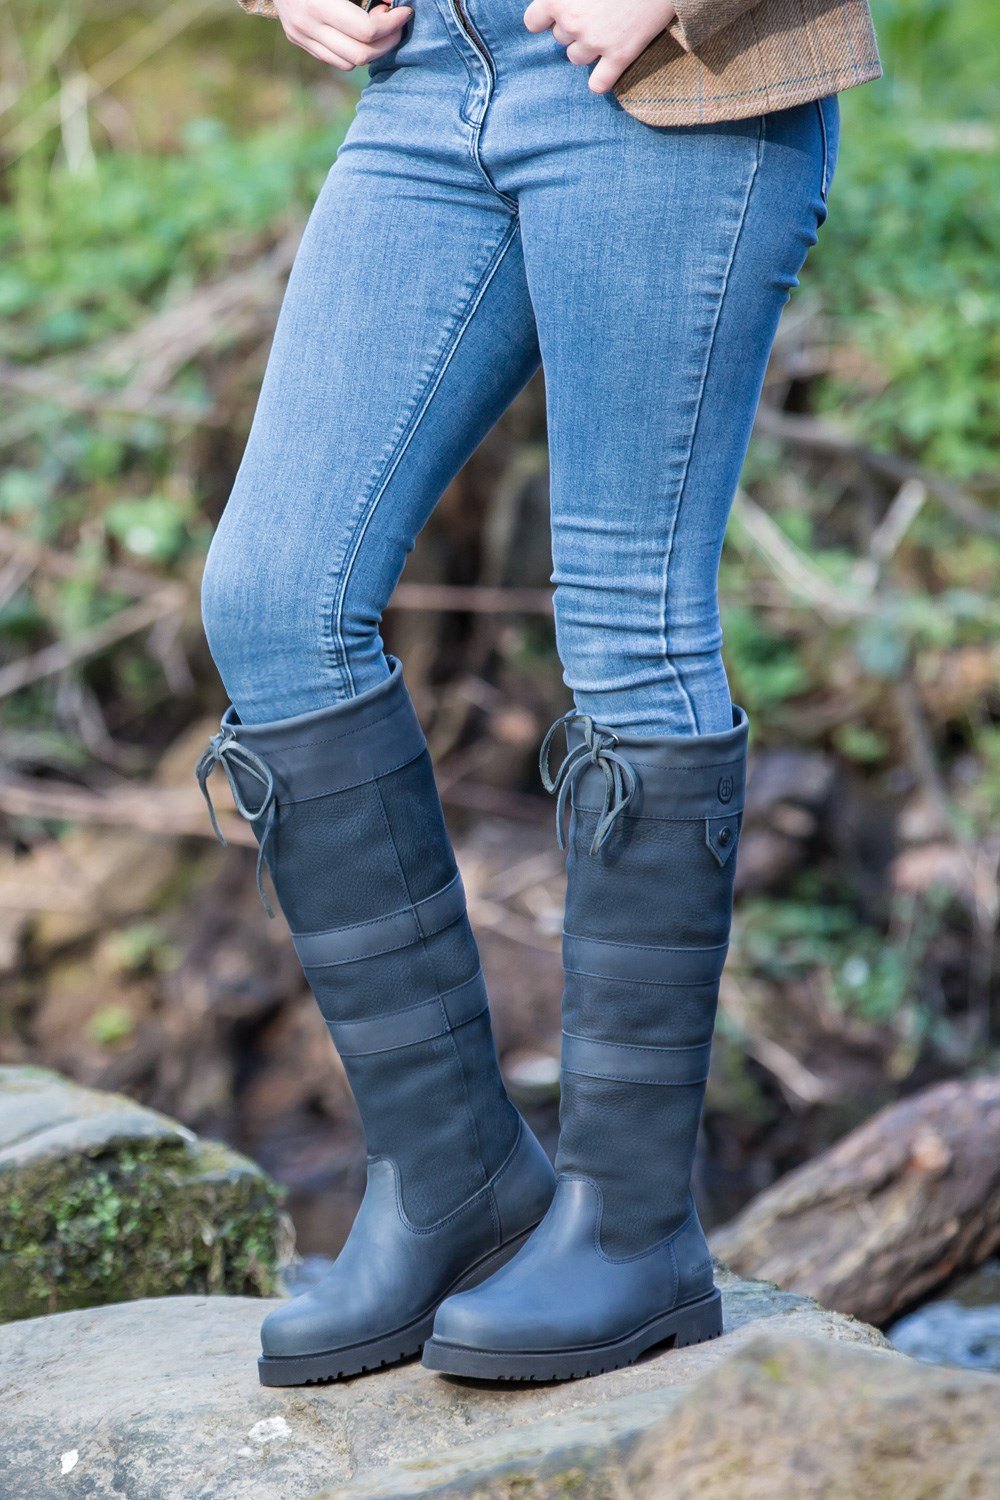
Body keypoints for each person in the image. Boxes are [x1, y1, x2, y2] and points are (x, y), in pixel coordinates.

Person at [196, 0, 881, 1384]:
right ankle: (450, 1185)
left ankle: (632, 1232)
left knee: (628, 619)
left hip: (665, 76)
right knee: (271, 602)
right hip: (428, 75)